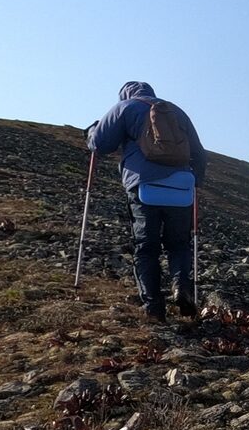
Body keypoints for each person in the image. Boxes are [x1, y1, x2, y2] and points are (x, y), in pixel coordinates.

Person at [87, 81, 207, 323]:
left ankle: (154, 309)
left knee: (146, 246)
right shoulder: (175, 111)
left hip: (145, 188)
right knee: (179, 244)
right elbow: (199, 153)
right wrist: (196, 183)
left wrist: (92, 131)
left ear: (125, 94)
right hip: (181, 187)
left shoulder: (124, 107)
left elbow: (101, 144)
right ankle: (180, 285)